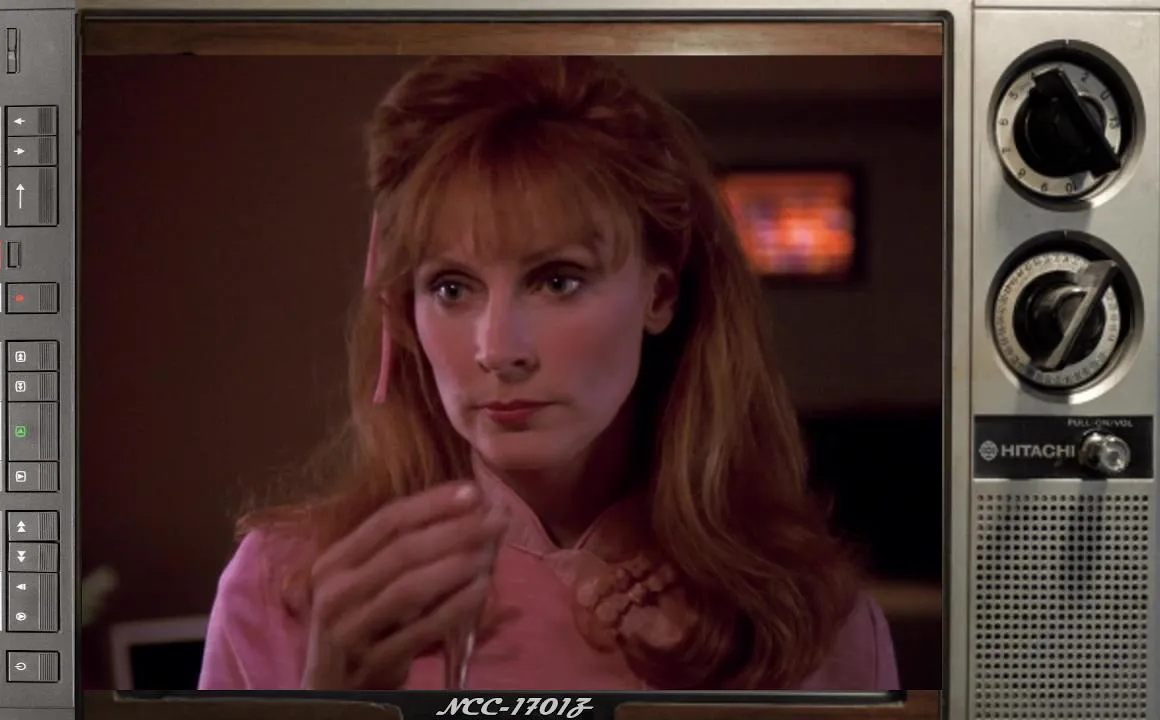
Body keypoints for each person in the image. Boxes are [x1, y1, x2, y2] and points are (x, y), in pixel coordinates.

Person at [197, 55, 898, 692]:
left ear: (660, 294)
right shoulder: (283, 590)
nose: (498, 349)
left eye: (558, 280)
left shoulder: (809, 622)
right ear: (403, 309)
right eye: (451, 288)